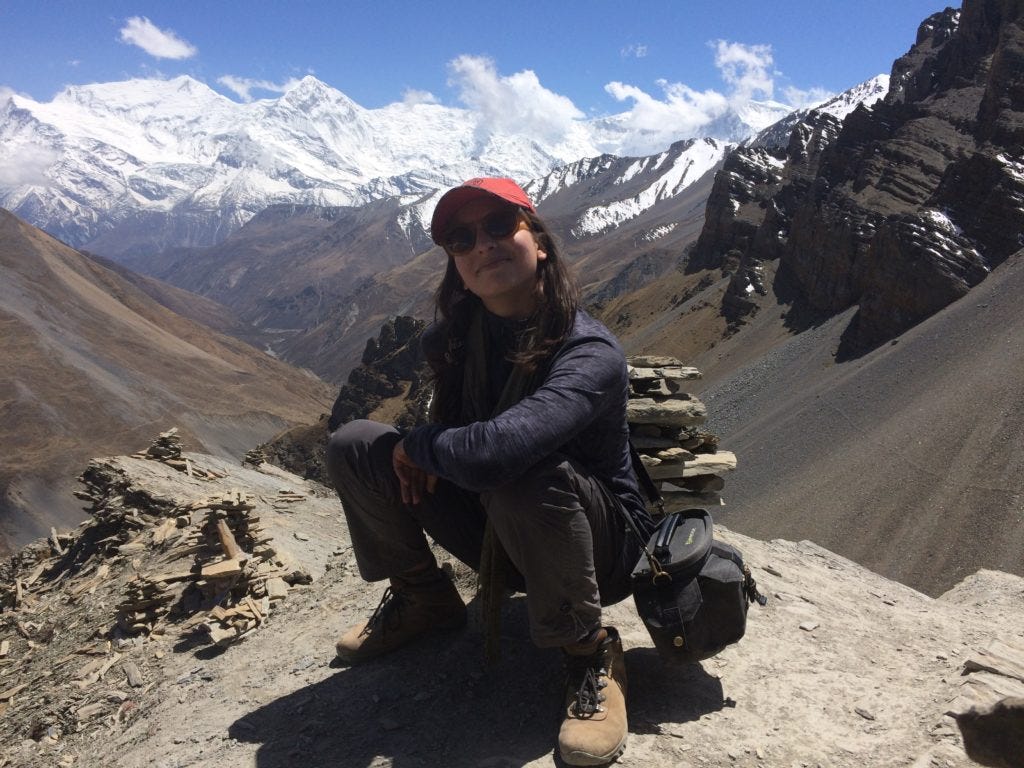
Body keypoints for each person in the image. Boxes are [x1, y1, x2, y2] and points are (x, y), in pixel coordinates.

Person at [325, 177, 654, 766]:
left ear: (540, 241)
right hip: (500, 519)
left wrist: (420, 446)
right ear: (456, 264)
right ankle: (424, 600)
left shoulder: (589, 351)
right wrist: (417, 452)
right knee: (354, 444)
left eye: (501, 226)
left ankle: (590, 652)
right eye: (462, 238)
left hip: (600, 548)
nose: (484, 245)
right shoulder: (451, 342)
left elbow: (501, 452)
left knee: (517, 468)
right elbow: (465, 448)